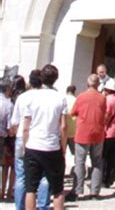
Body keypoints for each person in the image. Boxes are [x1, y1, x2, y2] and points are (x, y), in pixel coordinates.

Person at [23, 64, 67, 210]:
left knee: (31, 188)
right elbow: (63, 126)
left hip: (33, 144)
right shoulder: (60, 98)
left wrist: (25, 145)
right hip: (52, 145)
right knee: (57, 189)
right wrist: (63, 147)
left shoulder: (32, 97)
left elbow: (26, 126)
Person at [10, 70, 50, 210]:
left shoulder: (23, 97)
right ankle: (42, 205)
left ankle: (20, 206)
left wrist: (17, 135)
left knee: (21, 175)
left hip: (22, 136)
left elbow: (14, 121)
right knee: (44, 173)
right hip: (40, 138)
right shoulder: (47, 98)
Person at [66, 74, 106, 201]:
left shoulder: (81, 97)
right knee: (97, 162)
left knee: (80, 162)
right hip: (98, 132)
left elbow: (73, 112)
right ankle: (95, 191)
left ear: (87, 83)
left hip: (83, 132)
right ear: (98, 84)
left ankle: (77, 190)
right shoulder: (102, 98)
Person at [102, 79, 115, 188]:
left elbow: (106, 116)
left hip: (108, 131)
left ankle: (104, 179)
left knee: (104, 157)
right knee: (112, 158)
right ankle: (110, 179)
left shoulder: (109, 100)